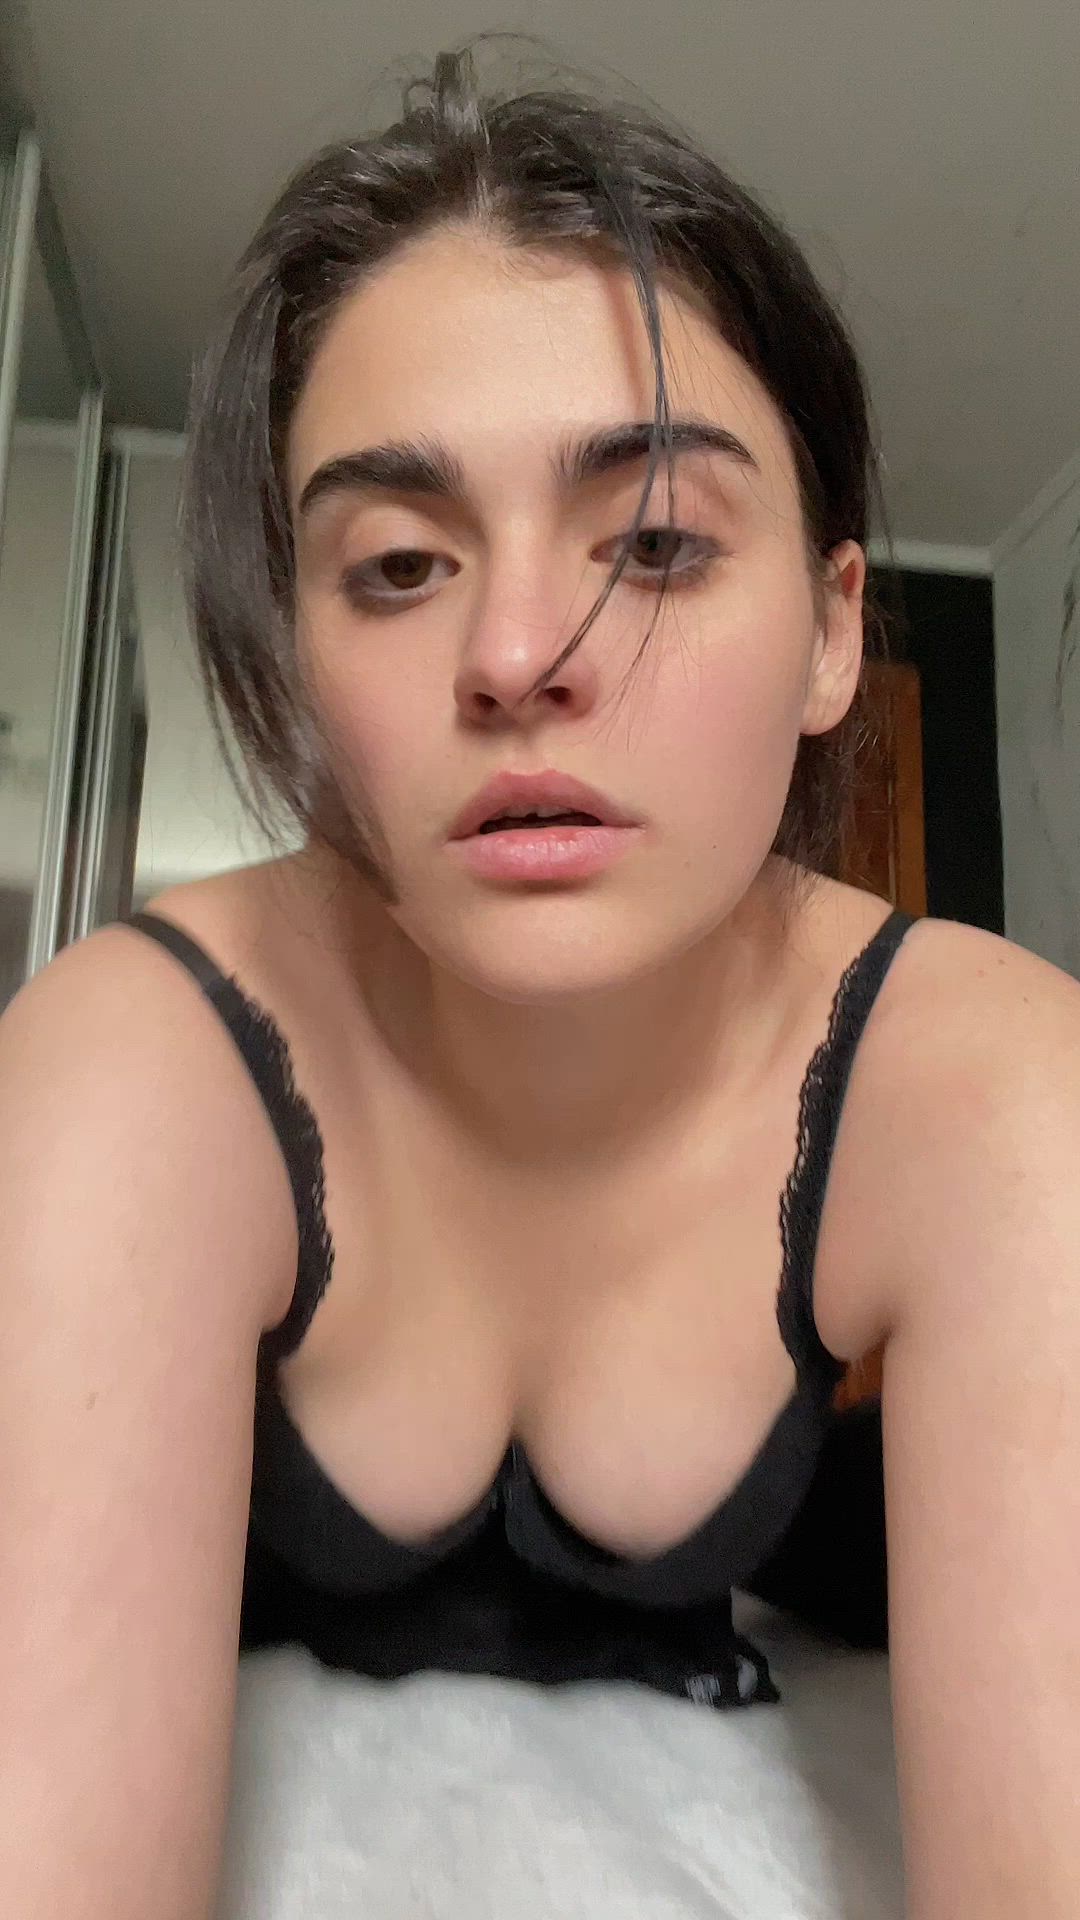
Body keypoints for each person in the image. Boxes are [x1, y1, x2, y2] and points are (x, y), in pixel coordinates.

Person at [2, 34, 1078, 1920]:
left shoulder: (992, 1087)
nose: (515, 654)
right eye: (399, 566)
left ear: (833, 635)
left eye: (653, 543)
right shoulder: (142, 1056)